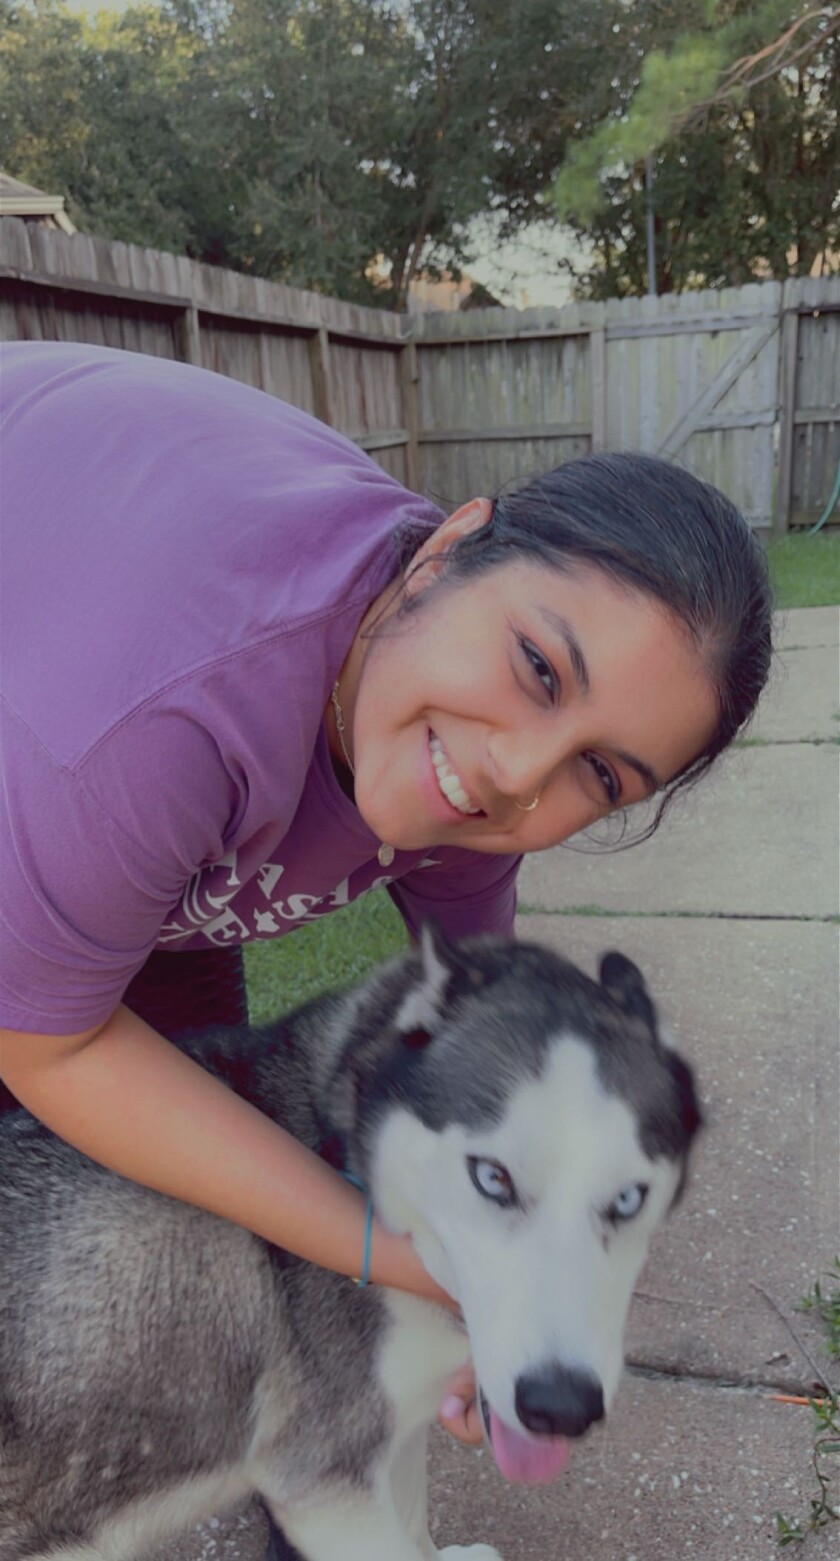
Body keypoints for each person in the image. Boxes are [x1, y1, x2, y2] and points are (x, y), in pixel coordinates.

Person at [0, 340, 772, 1559]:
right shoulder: (158, 720)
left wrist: (492, 1297)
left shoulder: (460, 783)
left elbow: (478, 1051)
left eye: (599, 772)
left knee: (208, 1112)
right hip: (76, 693)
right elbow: (51, 1046)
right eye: (535, 667)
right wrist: (387, 1256)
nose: (517, 775)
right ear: (448, 546)